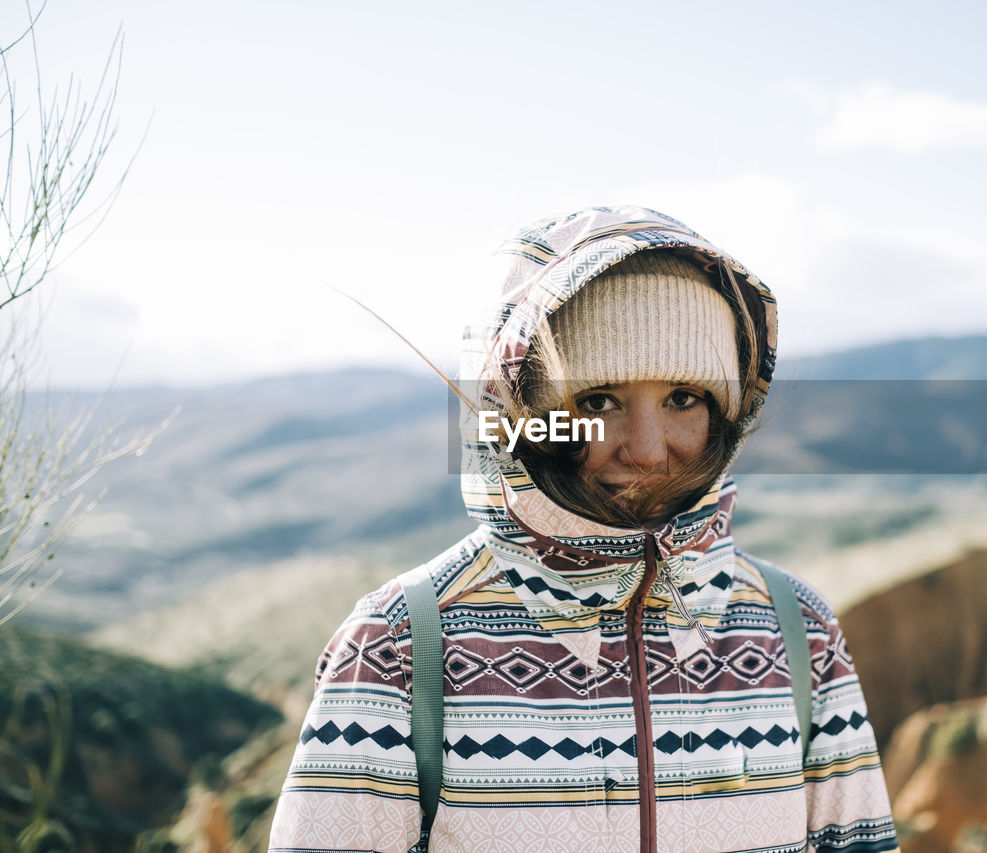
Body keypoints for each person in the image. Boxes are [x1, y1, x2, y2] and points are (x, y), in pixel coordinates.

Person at [268, 206, 898, 852]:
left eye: (684, 398)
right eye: (598, 401)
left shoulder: (797, 633)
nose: (648, 450)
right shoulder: (396, 650)